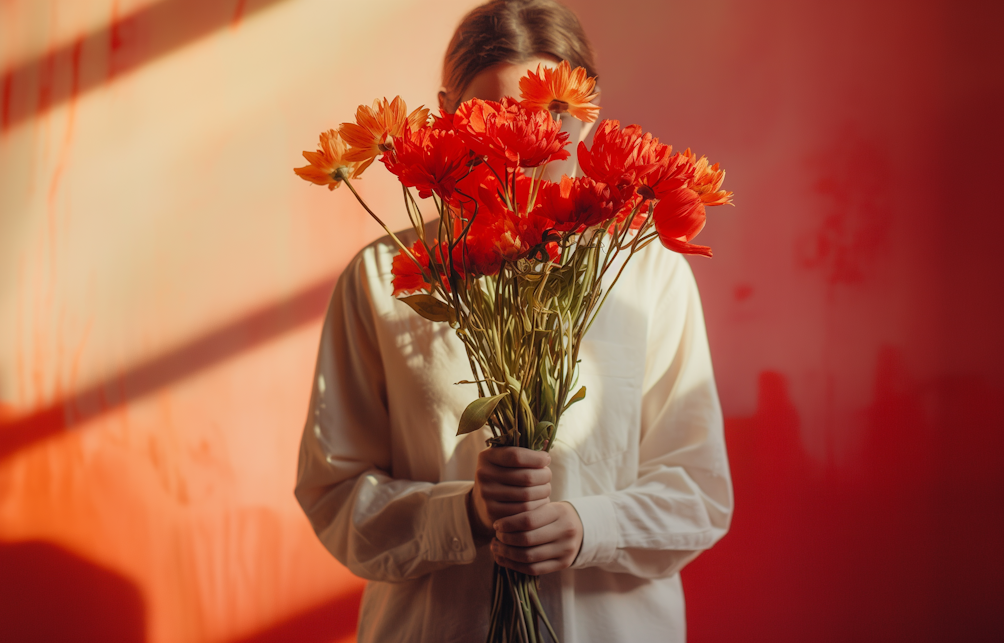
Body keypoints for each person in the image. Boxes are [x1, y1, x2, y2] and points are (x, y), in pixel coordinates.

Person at [294, 1, 732, 641]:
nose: (524, 148)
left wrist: (589, 528)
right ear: (446, 115)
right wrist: (463, 514)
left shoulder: (648, 276)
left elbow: (699, 490)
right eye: (496, 116)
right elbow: (332, 495)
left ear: (590, 113)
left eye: (554, 115)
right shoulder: (383, 277)